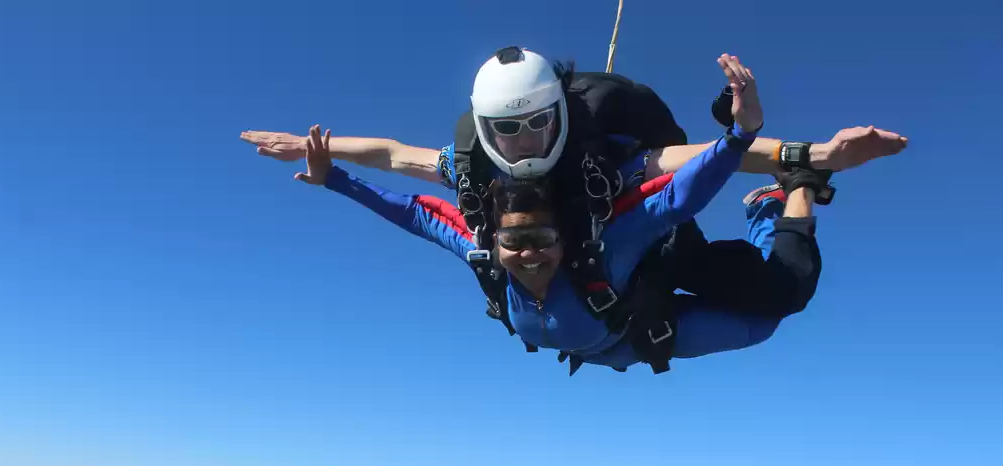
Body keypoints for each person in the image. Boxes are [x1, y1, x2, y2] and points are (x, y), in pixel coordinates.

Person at [241, 51, 906, 324]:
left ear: (559, 115)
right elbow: (393, 155)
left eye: (537, 126)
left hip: (653, 240)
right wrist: (312, 148)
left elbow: (696, 158)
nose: (523, 144)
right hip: (593, 260)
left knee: (782, 293)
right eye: (507, 130)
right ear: (485, 127)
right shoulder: (476, 166)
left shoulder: (603, 161)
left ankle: (784, 201)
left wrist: (816, 155)